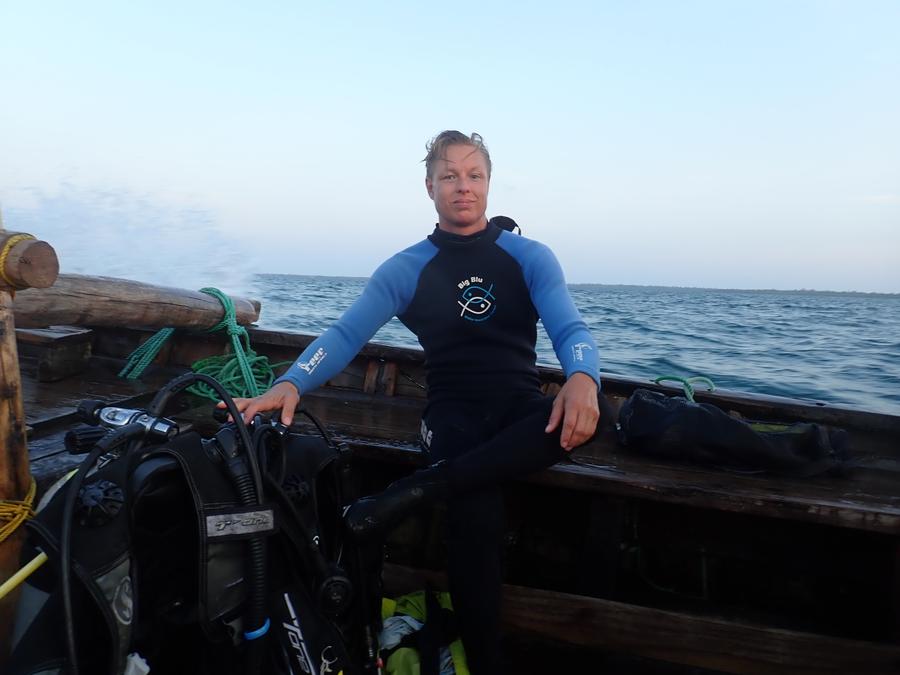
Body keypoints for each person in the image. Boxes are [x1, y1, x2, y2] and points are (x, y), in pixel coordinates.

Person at [225, 130, 601, 673]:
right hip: (451, 413)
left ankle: (416, 491)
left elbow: (570, 327)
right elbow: (344, 335)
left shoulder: (529, 257)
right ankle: (487, 662)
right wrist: (290, 383)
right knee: (477, 505)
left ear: (489, 184)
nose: (463, 186)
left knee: (590, 418)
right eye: (450, 176)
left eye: (474, 175)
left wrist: (583, 376)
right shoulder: (406, 268)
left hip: (517, 406)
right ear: (430, 187)